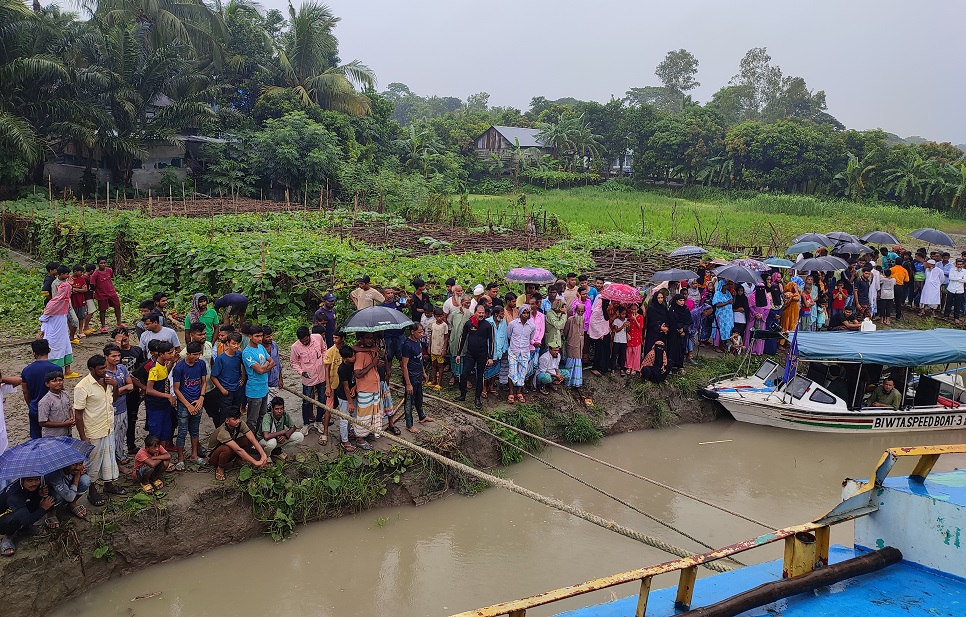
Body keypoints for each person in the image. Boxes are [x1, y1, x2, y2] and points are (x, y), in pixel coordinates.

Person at [74, 354, 126, 507]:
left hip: (108, 427)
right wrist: (83, 436)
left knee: (108, 459)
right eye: (101, 368)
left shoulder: (109, 381)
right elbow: (78, 414)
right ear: (91, 369)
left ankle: (108, 485)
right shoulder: (82, 387)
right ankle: (92, 491)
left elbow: (113, 400)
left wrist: (115, 385)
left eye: (105, 367)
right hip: (93, 431)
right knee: (92, 463)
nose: (105, 370)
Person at [172, 341, 207, 469]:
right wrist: (188, 405)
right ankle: (180, 458)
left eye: (199, 354)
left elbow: (203, 383)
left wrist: (201, 398)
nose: (197, 357)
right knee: (182, 431)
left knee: (195, 429)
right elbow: (176, 389)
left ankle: (194, 455)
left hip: (197, 401)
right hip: (184, 403)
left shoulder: (201, 364)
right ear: (187, 354)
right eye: (195, 355)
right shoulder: (179, 368)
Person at [0, 477, 56, 556]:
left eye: (37, 479)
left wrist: (39, 495)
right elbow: (26, 519)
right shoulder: (14, 495)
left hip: (17, 510)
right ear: (22, 481)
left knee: (47, 499)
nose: (34, 483)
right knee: (16, 519)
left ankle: (24, 529)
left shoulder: (27, 487)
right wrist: (43, 508)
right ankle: (7, 537)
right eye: (30, 480)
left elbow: (29, 501)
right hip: (3, 518)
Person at [21, 340, 65, 439]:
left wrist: (31, 405)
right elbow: (60, 388)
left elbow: (25, 391)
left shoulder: (26, 370)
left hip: (35, 408)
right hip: (54, 410)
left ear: (34, 353)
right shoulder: (57, 369)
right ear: (49, 350)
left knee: (37, 440)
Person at [207, 410, 268, 481]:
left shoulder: (240, 424)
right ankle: (220, 467)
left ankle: (238, 460)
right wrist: (255, 462)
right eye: (234, 419)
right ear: (227, 420)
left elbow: (252, 439)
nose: (238, 421)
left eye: (239, 418)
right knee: (227, 449)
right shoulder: (222, 432)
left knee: (247, 439)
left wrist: (263, 454)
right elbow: (238, 449)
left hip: (230, 450)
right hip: (214, 457)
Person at [290, 326, 328, 439]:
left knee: (322, 400)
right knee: (306, 402)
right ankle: (306, 424)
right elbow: (294, 362)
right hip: (308, 378)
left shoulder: (318, 338)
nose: (305, 342)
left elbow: (324, 350)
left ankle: (318, 421)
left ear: (309, 335)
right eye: (302, 341)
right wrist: (301, 372)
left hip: (321, 375)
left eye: (306, 340)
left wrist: (324, 361)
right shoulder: (295, 347)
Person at [455, 304, 495, 409]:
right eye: (479, 313)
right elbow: (462, 338)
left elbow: (491, 342)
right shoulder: (469, 324)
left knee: (479, 376)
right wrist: (458, 354)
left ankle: (477, 398)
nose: (481, 315)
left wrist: (490, 357)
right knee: (464, 374)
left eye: (483, 313)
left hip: (482, 355)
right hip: (470, 354)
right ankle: (462, 394)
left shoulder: (488, 325)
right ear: (475, 312)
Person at [38, 280, 78, 382]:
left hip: (63, 331)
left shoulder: (64, 302)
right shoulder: (53, 303)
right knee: (55, 352)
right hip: (53, 333)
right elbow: (44, 319)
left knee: (66, 349)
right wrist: (42, 330)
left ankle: (68, 371)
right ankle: (53, 374)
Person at [103, 345, 135, 465]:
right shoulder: (104, 373)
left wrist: (117, 388)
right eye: (113, 356)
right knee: (113, 435)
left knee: (122, 433)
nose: (117, 358)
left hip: (123, 407)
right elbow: (108, 394)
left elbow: (131, 386)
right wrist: (123, 388)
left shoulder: (122, 368)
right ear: (106, 357)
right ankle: (114, 460)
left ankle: (120, 454)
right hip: (111, 410)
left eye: (118, 355)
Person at [144, 340, 177, 450]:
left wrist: (172, 362)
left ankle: (162, 454)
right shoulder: (154, 368)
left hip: (164, 404)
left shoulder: (163, 364)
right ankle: (154, 455)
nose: (172, 354)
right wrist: (168, 396)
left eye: (172, 352)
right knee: (156, 432)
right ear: (161, 354)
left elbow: (164, 374)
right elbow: (149, 390)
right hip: (155, 405)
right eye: (170, 353)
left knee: (165, 430)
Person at [401, 324, 433, 433]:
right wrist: (408, 383)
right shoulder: (407, 345)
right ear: (412, 332)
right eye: (419, 332)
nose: (422, 334)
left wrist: (423, 373)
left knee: (419, 397)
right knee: (409, 401)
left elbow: (420, 360)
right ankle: (409, 424)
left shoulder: (418, 342)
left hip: (418, 375)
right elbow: (404, 365)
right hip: (411, 377)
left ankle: (422, 416)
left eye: (422, 332)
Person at [352, 332, 383, 446]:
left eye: (371, 338)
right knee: (364, 414)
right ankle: (360, 438)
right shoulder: (360, 354)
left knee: (372, 413)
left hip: (374, 386)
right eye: (367, 338)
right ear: (362, 339)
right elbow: (358, 374)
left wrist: (377, 364)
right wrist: (372, 364)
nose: (370, 341)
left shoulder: (372, 351)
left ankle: (367, 432)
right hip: (365, 388)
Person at [242, 325, 274, 433]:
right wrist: (265, 366)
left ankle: (259, 437)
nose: (260, 339)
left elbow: (272, 362)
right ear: (250, 336)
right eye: (257, 336)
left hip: (264, 388)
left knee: (263, 416)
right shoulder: (247, 352)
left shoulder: (261, 347)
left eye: (261, 336)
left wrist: (263, 367)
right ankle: (250, 442)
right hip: (254, 390)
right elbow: (259, 370)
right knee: (252, 420)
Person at [211, 332, 245, 428]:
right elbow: (213, 376)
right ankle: (223, 434)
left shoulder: (239, 354)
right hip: (226, 390)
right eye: (233, 343)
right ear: (228, 343)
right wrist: (222, 389)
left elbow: (244, 366)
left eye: (238, 344)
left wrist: (243, 377)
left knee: (236, 412)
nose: (236, 346)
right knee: (225, 413)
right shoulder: (221, 358)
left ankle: (234, 432)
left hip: (237, 389)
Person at [334, 346, 363, 452]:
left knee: (353, 416)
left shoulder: (353, 364)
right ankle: (344, 441)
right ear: (345, 358)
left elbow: (355, 379)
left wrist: (355, 387)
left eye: (354, 355)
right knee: (344, 418)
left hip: (353, 392)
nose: (354, 357)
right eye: (351, 357)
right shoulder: (342, 369)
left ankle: (349, 433)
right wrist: (350, 402)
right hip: (344, 396)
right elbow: (346, 387)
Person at [506, 305, 536, 403]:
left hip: (524, 352)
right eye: (524, 312)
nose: (526, 315)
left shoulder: (532, 326)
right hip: (513, 352)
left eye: (527, 313)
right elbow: (509, 335)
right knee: (512, 372)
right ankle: (511, 393)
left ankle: (518, 392)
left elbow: (530, 338)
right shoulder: (512, 324)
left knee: (522, 373)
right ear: (520, 313)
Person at [90, 257, 123, 333]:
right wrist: (98, 290)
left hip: (111, 292)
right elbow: (92, 285)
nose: (103, 264)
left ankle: (119, 323)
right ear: (98, 264)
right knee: (102, 310)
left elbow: (111, 278)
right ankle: (103, 326)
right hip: (101, 294)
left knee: (117, 306)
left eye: (104, 263)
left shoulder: (109, 270)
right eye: (101, 263)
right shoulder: (95, 274)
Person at [37, 370, 72, 437]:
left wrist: (71, 418)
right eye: (54, 381)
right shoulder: (45, 401)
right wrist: (64, 424)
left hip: (67, 432)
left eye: (60, 380)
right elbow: (42, 422)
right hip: (53, 436)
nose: (58, 383)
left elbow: (70, 408)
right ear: (47, 384)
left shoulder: (66, 394)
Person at [381, 289, 406, 379]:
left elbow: (408, 302)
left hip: (399, 334)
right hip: (388, 335)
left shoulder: (398, 302)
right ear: (384, 294)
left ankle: (405, 375)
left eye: (392, 293)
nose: (391, 295)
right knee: (388, 356)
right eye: (388, 293)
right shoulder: (381, 307)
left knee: (402, 355)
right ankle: (388, 374)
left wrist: (400, 292)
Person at [447, 295, 473, 385]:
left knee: (465, 359)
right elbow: (451, 324)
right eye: (466, 302)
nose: (468, 304)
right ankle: (454, 375)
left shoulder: (471, 316)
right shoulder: (454, 314)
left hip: (465, 342)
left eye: (469, 303)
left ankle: (466, 378)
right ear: (462, 303)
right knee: (454, 358)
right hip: (454, 341)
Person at [485, 304, 509, 395]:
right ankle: (484, 388)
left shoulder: (503, 322)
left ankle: (491, 386)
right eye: (502, 314)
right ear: (496, 314)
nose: (503, 316)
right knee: (486, 370)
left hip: (500, 351)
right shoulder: (488, 322)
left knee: (496, 370)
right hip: (490, 352)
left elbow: (505, 336)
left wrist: (504, 349)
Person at [562, 303, 586, 389]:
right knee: (571, 361)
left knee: (578, 361)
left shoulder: (583, 319)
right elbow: (565, 332)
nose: (580, 313)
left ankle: (576, 382)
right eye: (578, 311)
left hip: (579, 344)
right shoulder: (570, 320)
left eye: (582, 311)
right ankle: (568, 381)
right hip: (571, 343)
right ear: (575, 311)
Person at [667, 294, 693, 370]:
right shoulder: (672, 309)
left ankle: (680, 366)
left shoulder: (685, 309)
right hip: (673, 332)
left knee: (682, 349)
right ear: (676, 301)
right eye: (680, 300)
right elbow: (671, 321)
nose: (682, 302)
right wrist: (678, 329)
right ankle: (670, 367)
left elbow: (689, 321)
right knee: (672, 349)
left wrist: (683, 329)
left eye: (683, 300)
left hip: (683, 333)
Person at [587, 294, 610, 376]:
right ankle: (595, 368)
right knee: (599, 351)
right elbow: (593, 323)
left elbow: (605, 321)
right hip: (599, 334)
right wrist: (600, 333)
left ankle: (604, 367)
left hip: (606, 332)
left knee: (606, 350)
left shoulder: (605, 310)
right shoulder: (597, 311)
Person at [427, 308, 449, 390]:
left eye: (440, 316)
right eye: (437, 316)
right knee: (433, 364)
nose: (439, 318)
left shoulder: (444, 325)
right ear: (434, 316)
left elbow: (446, 338)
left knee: (440, 365)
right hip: (433, 348)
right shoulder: (432, 324)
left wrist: (444, 349)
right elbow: (431, 336)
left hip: (440, 349)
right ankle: (434, 380)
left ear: (443, 316)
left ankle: (439, 383)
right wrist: (429, 346)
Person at [747, 284, 772, 356]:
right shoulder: (751, 296)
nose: (760, 290)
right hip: (752, 319)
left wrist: (761, 315)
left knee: (760, 335)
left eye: (762, 288)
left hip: (761, 320)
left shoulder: (767, 298)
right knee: (750, 333)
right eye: (759, 288)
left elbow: (768, 309)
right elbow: (750, 307)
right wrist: (755, 314)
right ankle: (749, 349)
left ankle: (758, 351)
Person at [710, 280, 735, 351]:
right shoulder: (718, 293)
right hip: (721, 315)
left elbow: (732, 302)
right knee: (719, 329)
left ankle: (723, 344)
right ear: (723, 285)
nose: (728, 286)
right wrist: (727, 302)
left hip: (728, 316)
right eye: (727, 285)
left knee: (727, 330)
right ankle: (716, 346)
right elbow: (717, 305)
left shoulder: (728, 293)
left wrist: (734, 295)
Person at [324, 330, 346, 407]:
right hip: (333, 382)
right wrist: (327, 386)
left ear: (342, 339)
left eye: (336, 338)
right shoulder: (330, 351)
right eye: (333, 338)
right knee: (329, 407)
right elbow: (326, 369)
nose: (334, 340)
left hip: (344, 382)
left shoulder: (346, 350)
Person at [644, 289, 669, 356]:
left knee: (661, 349)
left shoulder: (664, 308)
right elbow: (652, 321)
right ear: (655, 298)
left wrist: (666, 327)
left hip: (662, 333)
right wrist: (660, 327)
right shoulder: (651, 308)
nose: (660, 299)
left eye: (661, 298)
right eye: (659, 298)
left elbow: (667, 318)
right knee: (652, 348)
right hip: (653, 333)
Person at [69, 264, 91, 339]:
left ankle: (80, 331)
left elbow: (85, 289)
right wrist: (77, 290)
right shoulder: (69, 279)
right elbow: (70, 290)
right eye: (80, 272)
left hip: (81, 300)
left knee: (81, 316)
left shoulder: (81, 279)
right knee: (72, 318)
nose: (82, 274)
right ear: (75, 271)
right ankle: (72, 332)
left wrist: (76, 289)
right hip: (72, 301)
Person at [263, 326, 283, 400]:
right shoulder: (258, 349)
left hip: (274, 381)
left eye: (271, 335)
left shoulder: (274, 345)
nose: (270, 338)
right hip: (263, 383)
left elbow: (278, 363)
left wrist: (280, 379)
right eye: (268, 337)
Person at [946, 258, 966, 323]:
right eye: (958, 264)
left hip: (960, 290)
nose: (959, 266)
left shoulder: (965, 271)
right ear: (956, 264)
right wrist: (960, 278)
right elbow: (951, 278)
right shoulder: (952, 270)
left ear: (963, 265)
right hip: (951, 289)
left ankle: (956, 317)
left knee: (958, 305)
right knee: (948, 303)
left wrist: (956, 278)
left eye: (961, 264)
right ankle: (946, 315)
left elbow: (965, 280)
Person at [610, 305, 628, 374]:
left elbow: (627, 330)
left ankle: (622, 368)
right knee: (614, 354)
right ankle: (612, 368)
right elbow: (616, 330)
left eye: (625, 314)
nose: (624, 315)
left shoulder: (626, 320)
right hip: (617, 339)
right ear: (619, 314)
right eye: (622, 314)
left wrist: (627, 326)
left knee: (623, 354)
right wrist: (623, 325)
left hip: (624, 340)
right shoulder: (616, 320)